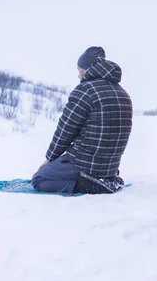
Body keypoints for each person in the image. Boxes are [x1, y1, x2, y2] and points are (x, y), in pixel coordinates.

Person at [31, 46, 133, 195]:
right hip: (110, 167)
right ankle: (102, 180)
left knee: (39, 179)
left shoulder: (85, 90)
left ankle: (85, 185)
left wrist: (50, 159)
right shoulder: (123, 93)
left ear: (85, 69)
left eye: (78, 70)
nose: (78, 75)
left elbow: (65, 129)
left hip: (85, 163)